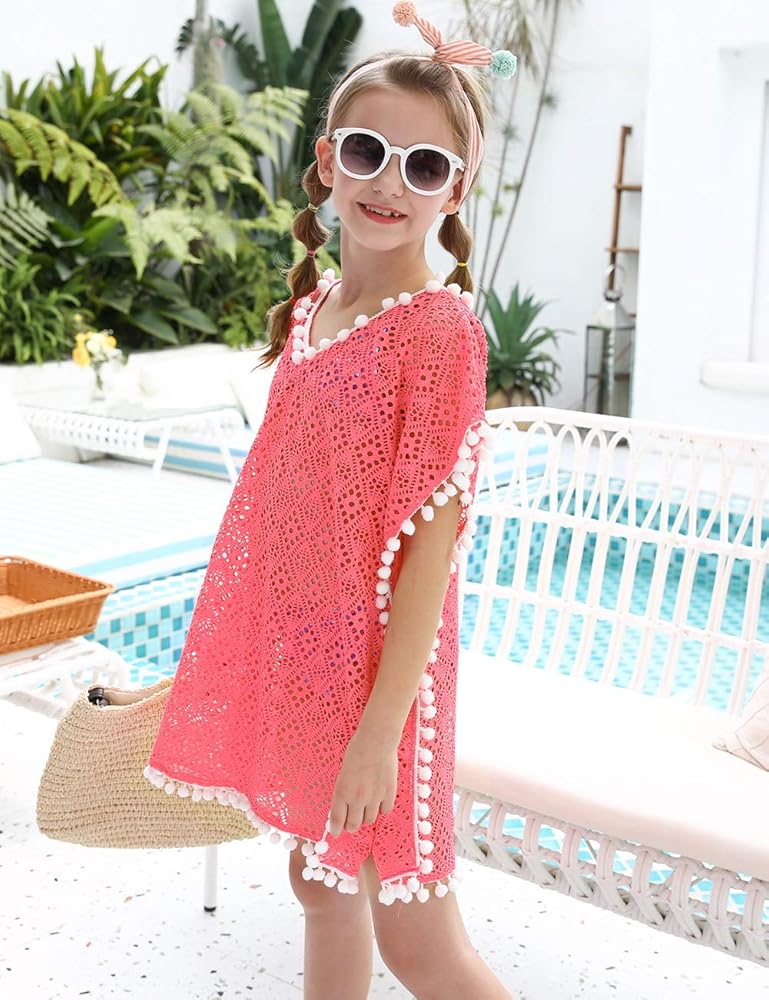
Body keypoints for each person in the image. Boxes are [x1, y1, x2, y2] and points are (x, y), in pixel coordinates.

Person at [145, 3, 517, 997]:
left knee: (418, 941)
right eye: (368, 152)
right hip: (308, 664)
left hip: (384, 691)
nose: (390, 183)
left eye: (424, 167)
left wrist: (378, 735)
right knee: (318, 888)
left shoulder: (438, 332)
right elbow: (277, 515)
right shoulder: (316, 312)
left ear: (454, 190)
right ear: (327, 161)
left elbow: (430, 550)